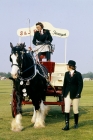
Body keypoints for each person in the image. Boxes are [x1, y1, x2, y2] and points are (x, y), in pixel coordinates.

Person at [62, 60, 83, 130]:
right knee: (66, 109)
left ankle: (76, 124)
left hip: (75, 94)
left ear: (71, 66)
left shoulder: (78, 74)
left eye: (68, 65)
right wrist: (63, 93)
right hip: (67, 94)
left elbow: (80, 85)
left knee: (75, 110)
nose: (67, 66)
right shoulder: (66, 74)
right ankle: (67, 125)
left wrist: (78, 93)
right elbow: (64, 85)